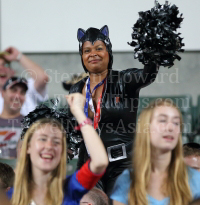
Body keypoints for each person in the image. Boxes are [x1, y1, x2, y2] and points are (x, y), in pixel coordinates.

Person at [69, 25, 159, 195]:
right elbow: (74, 129)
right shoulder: (76, 88)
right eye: (87, 50)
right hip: (90, 163)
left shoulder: (125, 79)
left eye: (99, 48)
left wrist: (152, 49)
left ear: (109, 52)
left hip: (123, 164)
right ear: (82, 56)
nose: (93, 53)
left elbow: (149, 74)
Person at [7, 93, 108, 205]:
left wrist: (79, 114)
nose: (49, 146)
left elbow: (100, 161)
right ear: (27, 147)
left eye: (56, 142)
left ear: (63, 151)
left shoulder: (71, 188)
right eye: (42, 139)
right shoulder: (7, 195)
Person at [111, 99, 200, 205]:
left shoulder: (195, 180)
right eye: (162, 120)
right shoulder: (126, 180)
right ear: (146, 128)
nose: (170, 127)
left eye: (176, 123)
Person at [0, 47, 49, 115]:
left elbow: (43, 78)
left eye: (5, 65)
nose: (1, 68)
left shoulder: (24, 85)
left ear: (12, 71)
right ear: (3, 94)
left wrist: (18, 56)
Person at [0, 77, 28, 158]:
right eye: (14, 90)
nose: (17, 96)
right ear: (3, 93)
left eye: (22, 93)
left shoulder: (31, 125)